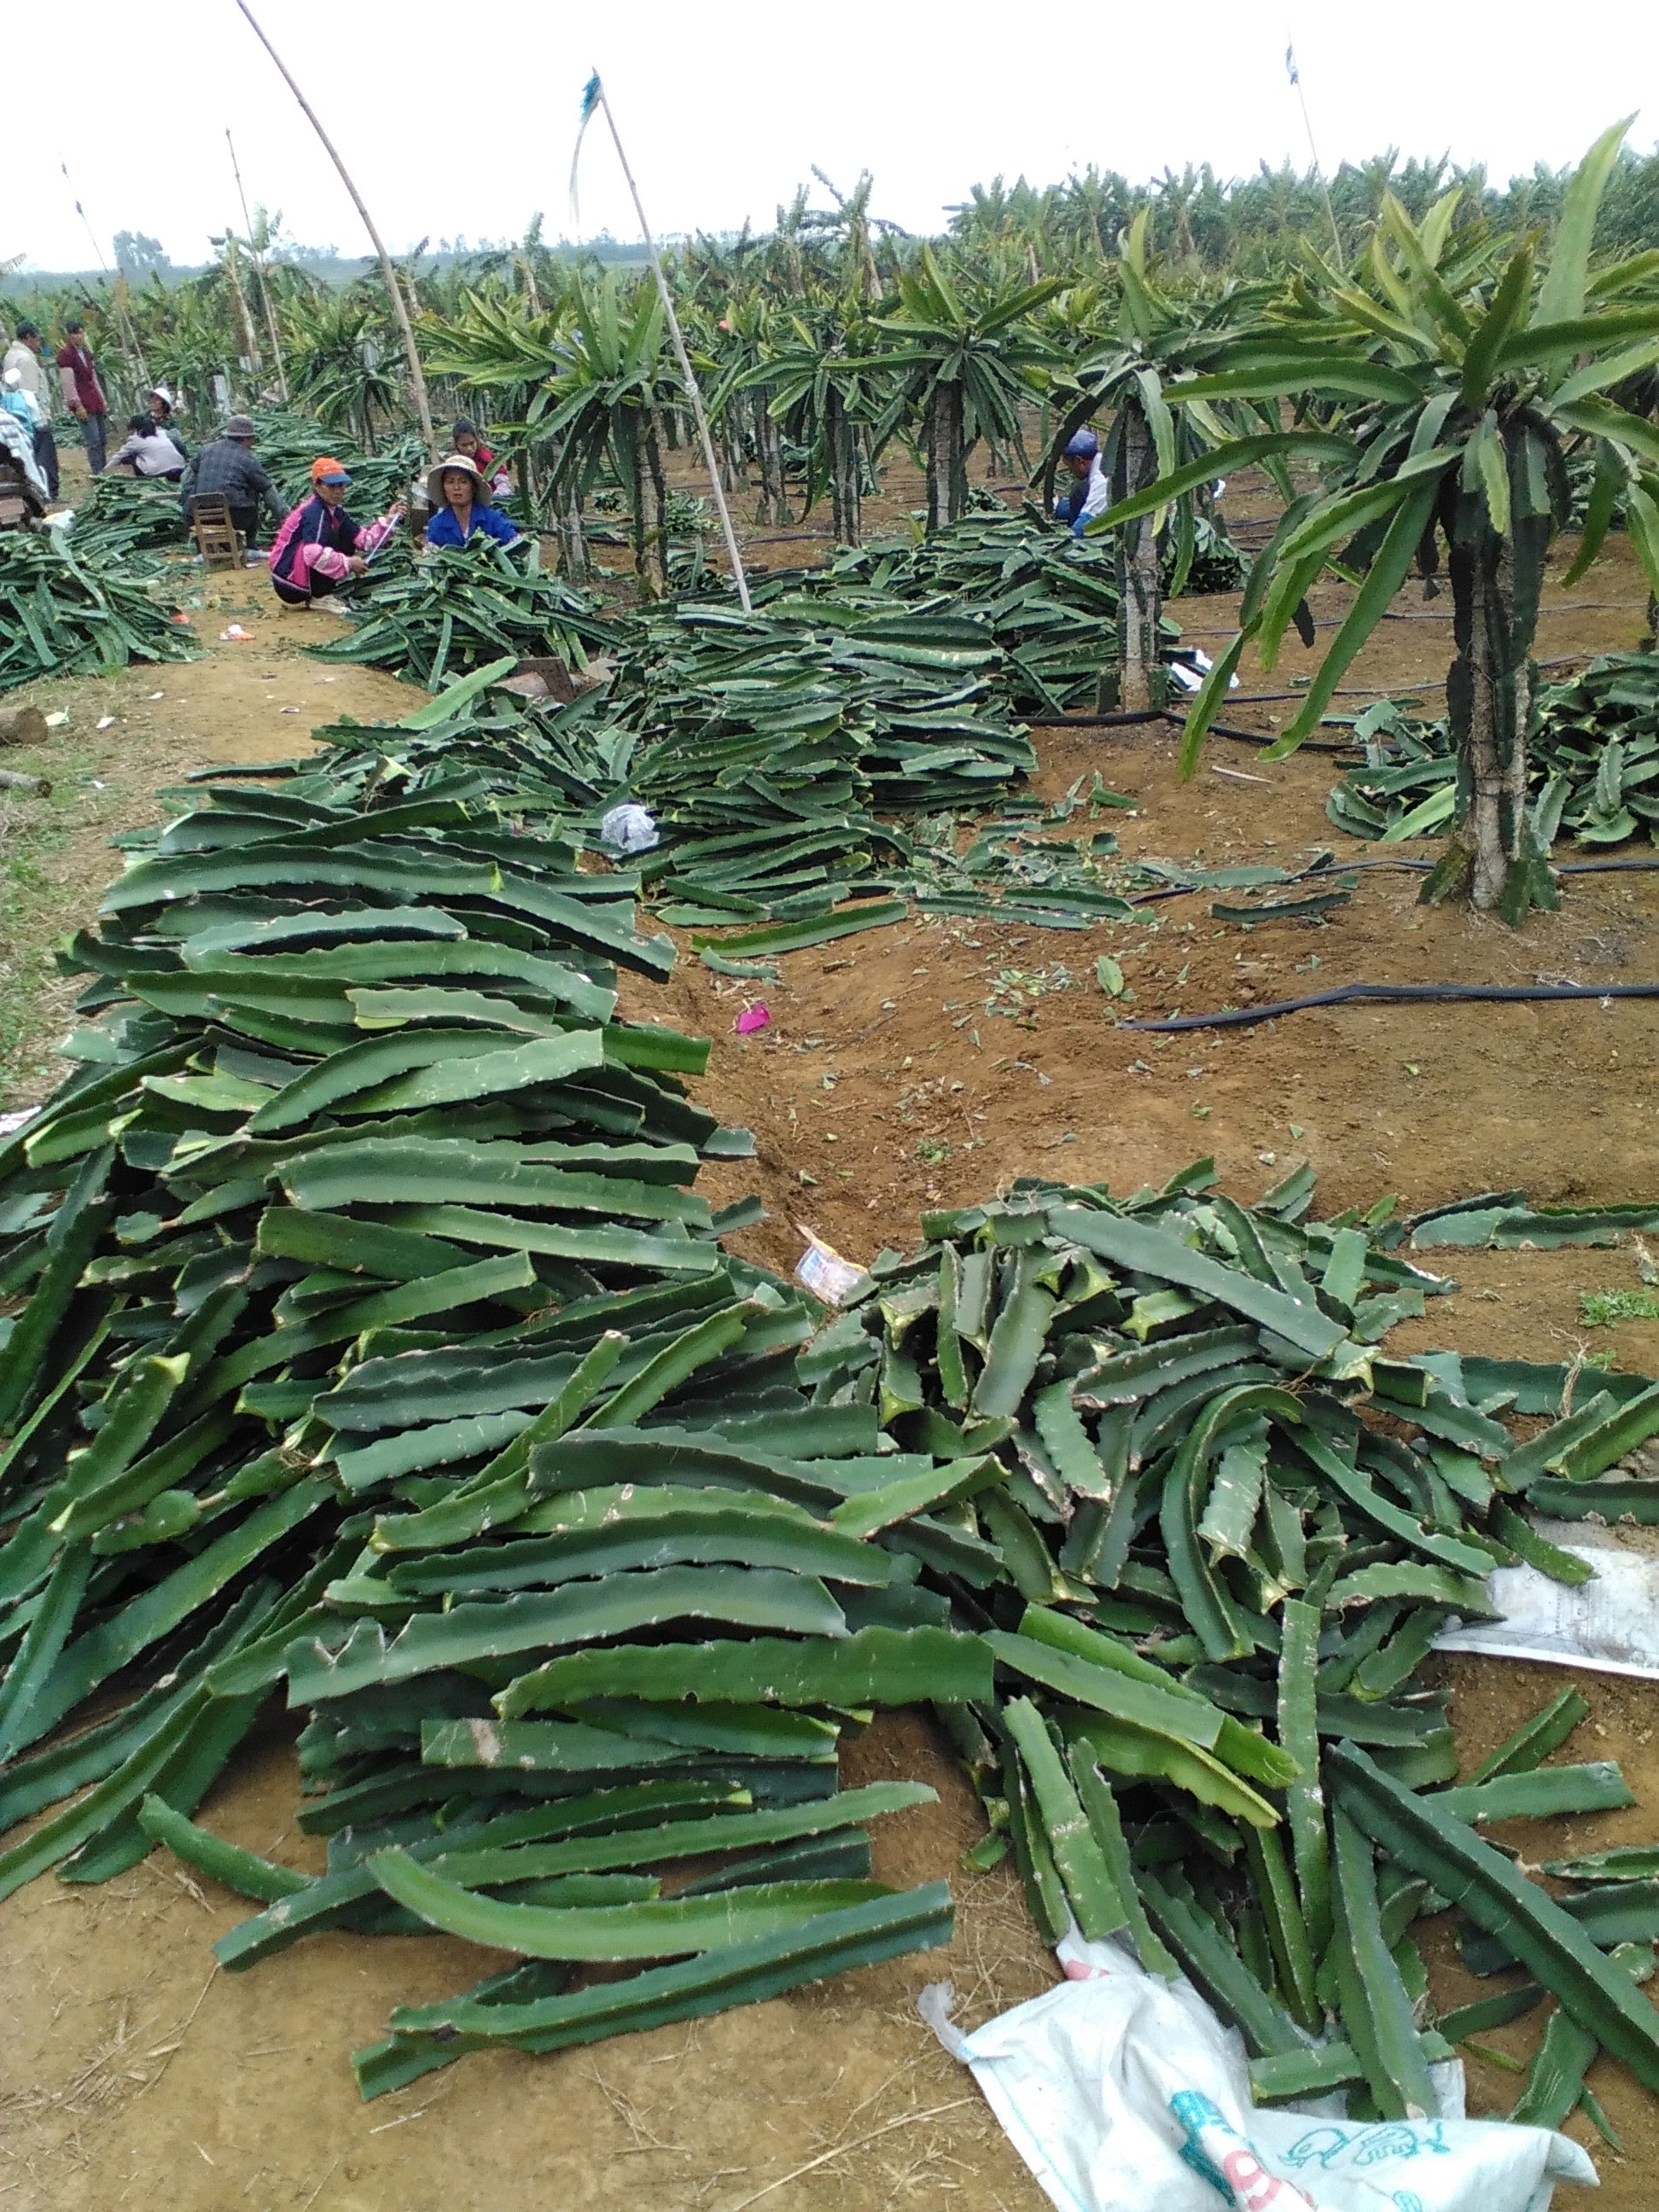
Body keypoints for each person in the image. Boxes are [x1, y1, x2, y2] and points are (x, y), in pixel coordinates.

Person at [269, 455, 404, 608]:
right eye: (331, 486)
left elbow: (365, 541)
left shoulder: (335, 511)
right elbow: (311, 553)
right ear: (317, 485)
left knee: (345, 538)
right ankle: (319, 595)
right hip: (289, 583)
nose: (338, 491)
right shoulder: (314, 512)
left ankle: (320, 592)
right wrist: (349, 563)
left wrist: (389, 520)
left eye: (341, 485)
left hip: (290, 580)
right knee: (330, 539)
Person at [178, 414, 284, 548]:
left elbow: (185, 480)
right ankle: (250, 546)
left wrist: (189, 498)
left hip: (198, 517)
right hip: (234, 517)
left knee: (195, 492)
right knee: (254, 489)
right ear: (247, 439)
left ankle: (201, 549)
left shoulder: (205, 451)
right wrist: (285, 520)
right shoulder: (248, 459)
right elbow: (269, 492)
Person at [3, 321, 58, 498]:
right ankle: (49, 491)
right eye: (37, 339)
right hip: (33, 417)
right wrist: (40, 420)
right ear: (28, 338)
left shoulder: (11, 356)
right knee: (44, 457)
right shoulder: (25, 360)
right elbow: (30, 395)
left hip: (16, 414)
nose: (38, 343)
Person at [423, 452, 521, 548]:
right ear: (443, 488)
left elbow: (517, 544)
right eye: (450, 482)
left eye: (463, 482)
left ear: (473, 487)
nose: (456, 487)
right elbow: (431, 553)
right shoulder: (437, 524)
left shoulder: (493, 519)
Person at [56, 318, 108, 475]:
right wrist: (76, 404)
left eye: (80, 333)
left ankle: (105, 469)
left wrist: (102, 399)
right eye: (75, 333)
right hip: (83, 403)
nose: (79, 336)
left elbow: (94, 378)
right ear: (69, 336)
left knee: (102, 439)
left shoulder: (86, 354)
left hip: (94, 401)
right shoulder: (66, 355)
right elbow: (68, 382)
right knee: (93, 440)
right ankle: (98, 472)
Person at [1056, 426, 1109, 537]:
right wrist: (1057, 507)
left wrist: (1064, 544)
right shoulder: (1101, 461)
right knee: (1079, 491)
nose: (1070, 471)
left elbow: (1086, 524)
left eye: (1069, 466)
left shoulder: (1101, 480)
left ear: (1080, 461)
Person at [106, 412, 188, 480]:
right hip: (181, 469)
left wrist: (106, 468)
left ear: (135, 429)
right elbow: (177, 440)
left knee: (130, 457)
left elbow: (119, 456)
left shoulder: (136, 440)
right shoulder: (162, 433)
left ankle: (141, 479)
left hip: (159, 473)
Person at [451, 416, 511, 496]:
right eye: (464, 445)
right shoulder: (455, 464)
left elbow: (501, 475)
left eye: (472, 443)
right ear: (457, 445)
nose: (469, 448)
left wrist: (500, 492)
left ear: (477, 440)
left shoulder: (486, 456)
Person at [146, 385, 188, 462]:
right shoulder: (143, 418)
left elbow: (176, 439)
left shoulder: (172, 421)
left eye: (157, 400)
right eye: (151, 399)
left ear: (164, 404)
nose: (152, 401)